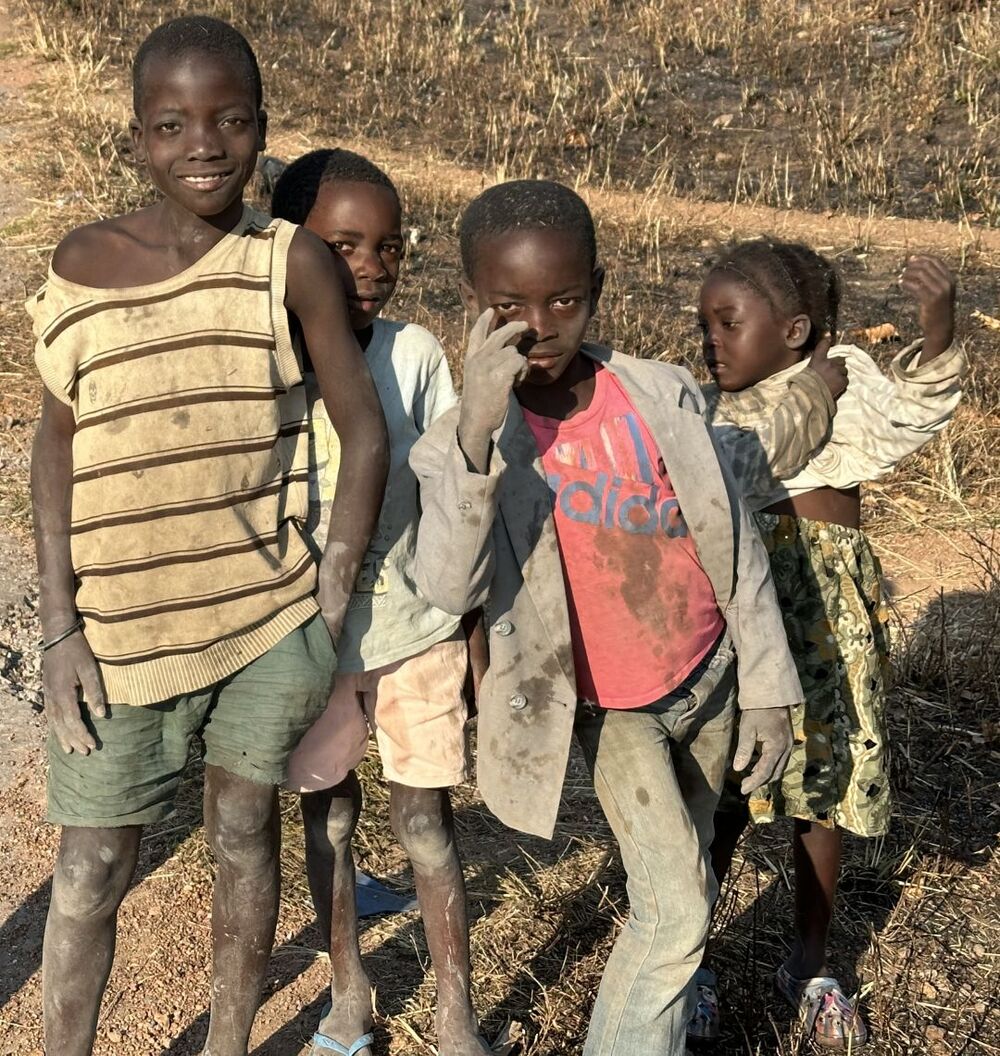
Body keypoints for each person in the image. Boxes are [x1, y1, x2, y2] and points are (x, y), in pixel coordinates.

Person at [27, 19, 388, 1056]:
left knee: (243, 837)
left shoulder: (290, 262)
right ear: (137, 136)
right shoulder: (83, 265)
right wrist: (60, 629)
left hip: (266, 622)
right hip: (120, 634)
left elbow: (362, 428)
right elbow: (56, 449)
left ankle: (227, 1043)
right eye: (174, 123)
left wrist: (330, 595)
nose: (205, 145)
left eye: (231, 121)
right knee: (92, 867)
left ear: (262, 128)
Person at [407, 179, 808, 1056]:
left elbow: (732, 546)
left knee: (688, 880)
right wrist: (478, 428)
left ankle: (664, 1018)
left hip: (708, 677)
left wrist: (770, 689)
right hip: (611, 710)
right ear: (474, 305)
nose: (540, 325)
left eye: (565, 300)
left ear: (598, 286)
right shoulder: (465, 441)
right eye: (509, 305)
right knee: (676, 913)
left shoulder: (660, 395)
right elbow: (444, 582)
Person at [691, 240, 963, 1049]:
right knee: (725, 789)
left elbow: (920, 403)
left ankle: (810, 962)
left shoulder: (845, 387)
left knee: (825, 788)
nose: (710, 338)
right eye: (703, 323)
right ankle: (689, 959)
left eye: (729, 322)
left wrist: (939, 323)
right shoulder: (711, 414)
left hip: (830, 621)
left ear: (797, 328)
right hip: (747, 621)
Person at [271, 149, 492, 1056]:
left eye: (389, 247)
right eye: (345, 245)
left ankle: (455, 1007)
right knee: (327, 816)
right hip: (305, 641)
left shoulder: (414, 354)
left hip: (412, 629)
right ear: (290, 249)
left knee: (423, 823)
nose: (371, 266)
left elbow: (458, 497)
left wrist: (476, 628)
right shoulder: (262, 362)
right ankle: (349, 992)